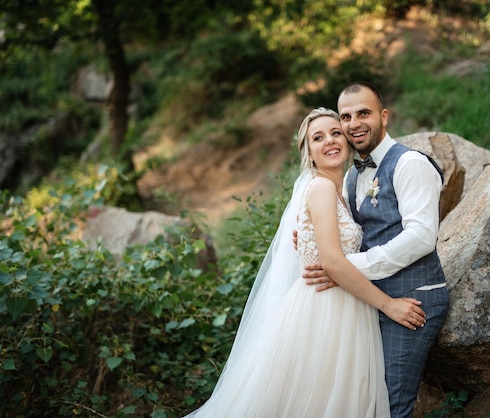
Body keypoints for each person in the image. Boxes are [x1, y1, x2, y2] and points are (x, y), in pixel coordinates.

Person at [183, 107, 425, 418]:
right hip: (324, 312)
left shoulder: (342, 188)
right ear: (309, 152)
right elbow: (333, 263)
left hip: (346, 307)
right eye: (318, 138)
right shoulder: (322, 188)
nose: (330, 141)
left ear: (348, 140)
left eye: (336, 133)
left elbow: (330, 248)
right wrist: (389, 305)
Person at [302, 82, 450, 418]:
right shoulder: (352, 178)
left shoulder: (410, 164)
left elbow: (422, 236)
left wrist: (349, 267)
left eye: (364, 113)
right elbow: (354, 233)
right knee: (363, 400)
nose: (354, 123)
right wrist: (311, 238)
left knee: (390, 406)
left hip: (414, 300)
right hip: (370, 302)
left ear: (384, 116)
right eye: (347, 116)